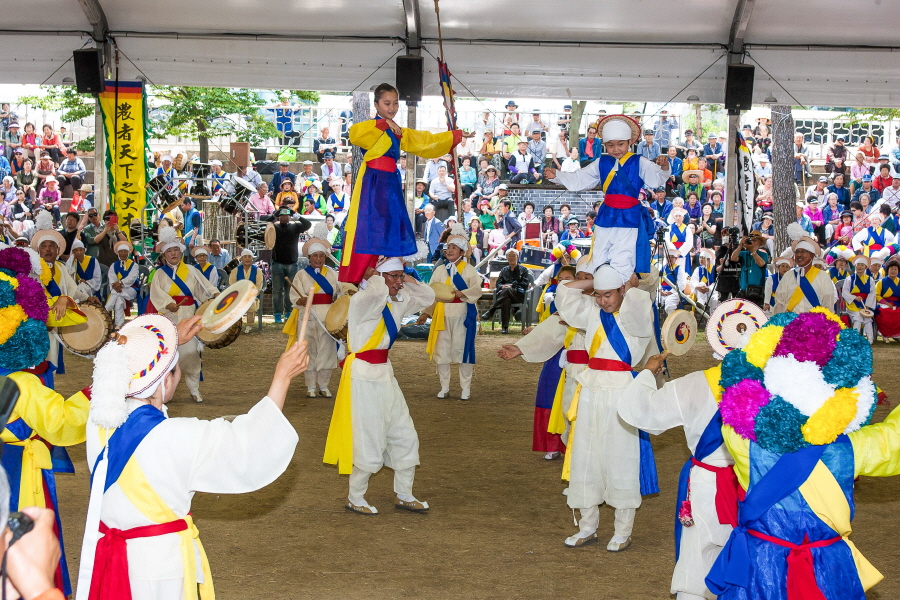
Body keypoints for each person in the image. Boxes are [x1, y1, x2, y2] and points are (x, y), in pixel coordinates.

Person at [77, 313, 305, 599]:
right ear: (165, 382)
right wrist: (282, 377)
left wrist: (171, 341)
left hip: (109, 561)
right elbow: (248, 444)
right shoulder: (176, 437)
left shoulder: (98, 420)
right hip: (160, 567)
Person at [704, 310, 900, 600]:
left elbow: (735, 401)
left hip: (762, 564)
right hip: (828, 566)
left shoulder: (742, 442)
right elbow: (894, 439)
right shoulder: (855, 448)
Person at [0, 246, 91, 596]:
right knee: (23, 543)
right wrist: (97, 391)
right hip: (19, 471)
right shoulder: (22, 384)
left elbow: (63, 318)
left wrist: (64, 303)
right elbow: (64, 423)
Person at [620, 345, 741, 600]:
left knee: (695, 558)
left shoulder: (694, 383)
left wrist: (647, 374)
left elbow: (641, 411)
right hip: (750, 486)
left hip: (704, 482)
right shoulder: (774, 387)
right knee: (744, 558)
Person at [554, 265, 658, 551]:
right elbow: (562, 294)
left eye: (608, 294)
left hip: (621, 390)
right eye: (598, 295)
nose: (602, 301)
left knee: (620, 455)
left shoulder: (636, 310)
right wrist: (585, 282)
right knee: (586, 455)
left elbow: (639, 307)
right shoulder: (591, 311)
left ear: (622, 290)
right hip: (590, 388)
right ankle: (587, 526)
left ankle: (622, 531)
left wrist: (629, 282)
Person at [324, 258, 436, 514]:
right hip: (362, 377)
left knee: (404, 432)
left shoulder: (396, 300)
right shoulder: (362, 300)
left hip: (385, 373)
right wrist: (374, 273)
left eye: (400, 276)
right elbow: (375, 292)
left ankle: (405, 493)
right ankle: (356, 496)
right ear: (379, 278)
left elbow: (428, 296)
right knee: (369, 437)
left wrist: (406, 277)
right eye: (393, 276)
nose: (398, 281)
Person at [340, 83, 472, 284]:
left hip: (390, 183)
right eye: (386, 103)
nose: (391, 108)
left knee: (389, 226)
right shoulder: (372, 127)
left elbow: (424, 141)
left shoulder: (398, 130)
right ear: (376, 104)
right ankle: (358, 275)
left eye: (395, 103)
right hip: (374, 183)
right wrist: (383, 123)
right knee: (370, 227)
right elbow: (355, 133)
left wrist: (456, 135)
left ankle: (386, 270)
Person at [546, 115, 669, 284]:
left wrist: (663, 165)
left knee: (623, 257)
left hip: (629, 216)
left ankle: (620, 293)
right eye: (610, 145)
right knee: (599, 254)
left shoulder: (638, 161)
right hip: (607, 213)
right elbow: (581, 178)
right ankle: (601, 291)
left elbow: (657, 179)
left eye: (621, 144)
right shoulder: (601, 162)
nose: (616, 149)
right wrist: (557, 176)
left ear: (629, 142)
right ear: (604, 145)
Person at [497, 265, 579, 460]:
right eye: (561, 279)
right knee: (548, 399)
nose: (564, 283)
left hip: (576, 360)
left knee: (571, 404)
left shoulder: (585, 304)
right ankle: (552, 444)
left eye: (570, 279)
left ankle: (571, 447)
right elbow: (550, 329)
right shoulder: (555, 304)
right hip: (553, 357)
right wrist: (530, 337)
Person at [147, 227, 219, 403]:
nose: (173, 253)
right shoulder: (159, 273)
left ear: (181, 252)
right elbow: (156, 294)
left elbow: (205, 287)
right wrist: (167, 304)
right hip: (168, 319)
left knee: (191, 354)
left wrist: (216, 295)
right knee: (167, 356)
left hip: (188, 316)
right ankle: (165, 391)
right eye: (169, 251)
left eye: (176, 250)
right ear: (164, 255)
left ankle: (194, 389)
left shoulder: (192, 270)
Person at [285, 238, 343, 397]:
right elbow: (293, 296)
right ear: (309, 258)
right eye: (315, 256)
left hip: (328, 317)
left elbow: (343, 289)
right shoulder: (301, 275)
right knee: (309, 351)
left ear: (325, 257)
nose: (318, 259)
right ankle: (310, 387)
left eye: (321, 256)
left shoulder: (332, 273)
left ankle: (324, 386)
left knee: (327, 351)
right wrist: (300, 300)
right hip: (307, 316)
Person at [426, 235, 482, 399]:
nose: (449, 250)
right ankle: (444, 387)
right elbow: (432, 292)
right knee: (442, 351)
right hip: (442, 314)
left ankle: (466, 388)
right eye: (448, 248)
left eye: (454, 248)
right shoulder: (440, 270)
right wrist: (426, 313)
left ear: (462, 252)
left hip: (462, 313)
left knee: (462, 350)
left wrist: (462, 293)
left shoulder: (469, 270)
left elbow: (477, 289)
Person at [774, 233, 837, 314]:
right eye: (797, 252)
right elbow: (779, 302)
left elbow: (828, 304)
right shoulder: (788, 275)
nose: (799, 255)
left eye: (803, 252)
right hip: (791, 323)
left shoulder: (823, 276)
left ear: (811, 255)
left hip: (815, 323)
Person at [269, 207, 312, 323]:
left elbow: (308, 224)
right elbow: (264, 223)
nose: (284, 217)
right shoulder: (274, 227)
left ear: (289, 217)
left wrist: (295, 214)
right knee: (277, 290)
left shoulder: (295, 226)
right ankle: (277, 314)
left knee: (290, 290)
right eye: (281, 215)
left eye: (286, 215)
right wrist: (274, 215)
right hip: (277, 263)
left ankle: (288, 312)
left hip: (292, 263)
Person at [482, 248, 532, 334]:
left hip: (518, 295)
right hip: (505, 295)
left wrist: (511, 285)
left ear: (517, 257)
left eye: (514, 256)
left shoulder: (523, 270)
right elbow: (498, 284)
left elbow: (524, 284)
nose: (511, 258)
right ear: (507, 258)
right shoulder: (504, 270)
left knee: (507, 290)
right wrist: (502, 286)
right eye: (509, 256)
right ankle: (504, 328)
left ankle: (492, 310)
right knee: (506, 299)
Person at [843, 254, 877, 343]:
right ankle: (855, 339)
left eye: (862, 265)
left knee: (867, 319)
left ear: (866, 267)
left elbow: (872, 293)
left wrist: (868, 305)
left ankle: (870, 339)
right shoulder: (849, 279)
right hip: (852, 304)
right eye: (858, 265)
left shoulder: (870, 279)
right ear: (855, 266)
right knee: (858, 317)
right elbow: (845, 292)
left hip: (865, 303)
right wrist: (854, 297)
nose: (860, 267)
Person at [105, 240, 138, 328]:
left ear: (128, 253)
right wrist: (117, 286)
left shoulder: (134, 265)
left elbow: (131, 278)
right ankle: (119, 324)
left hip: (131, 289)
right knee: (119, 300)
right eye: (121, 252)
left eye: (125, 251)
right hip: (118, 290)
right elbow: (111, 278)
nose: (123, 253)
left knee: (116, 294)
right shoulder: (114, 265)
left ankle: (106, 309)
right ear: (118, 253)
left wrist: (120, 283)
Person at [659, 245, 688, 315]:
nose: (670, 259)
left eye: (672, 257)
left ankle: (671, 324)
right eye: (668, 257)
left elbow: (681, 285)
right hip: (663, 291)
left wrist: (670, 292)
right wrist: (660, 290)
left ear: (675, 259)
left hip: (674, 292)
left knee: (670, 305)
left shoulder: (679, 269)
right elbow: (657, 281)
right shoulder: (662, 268)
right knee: (655, 301)